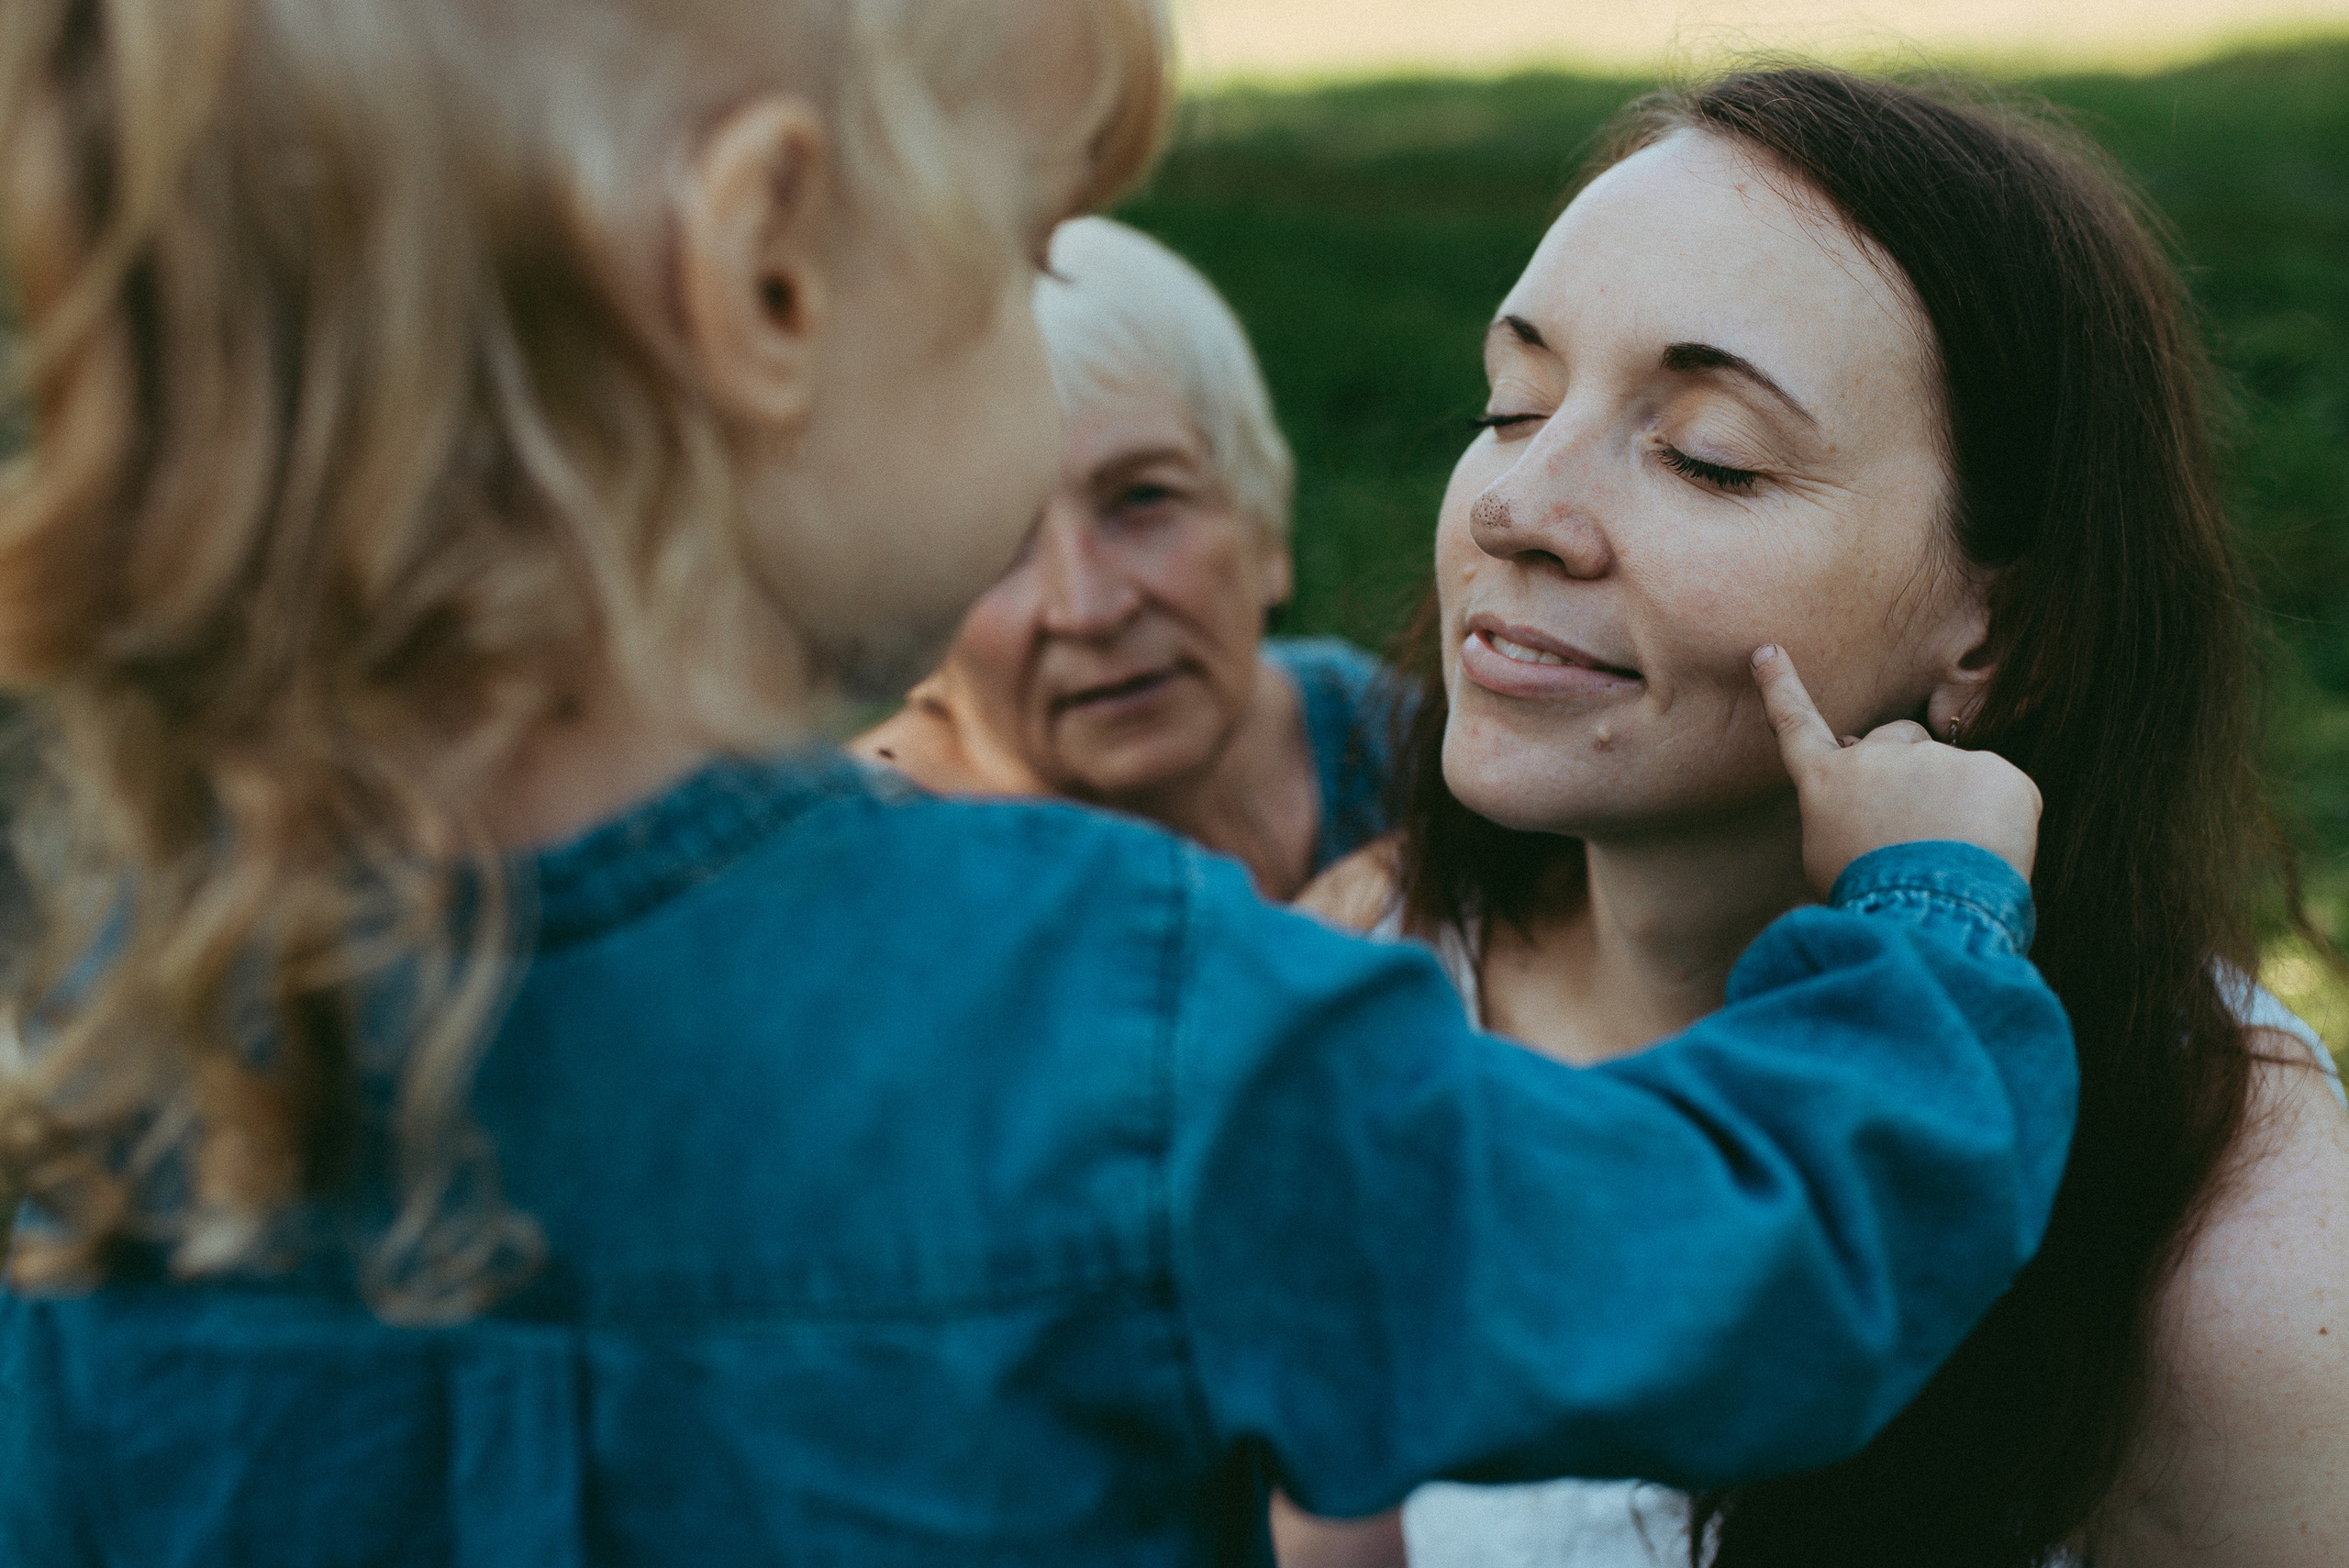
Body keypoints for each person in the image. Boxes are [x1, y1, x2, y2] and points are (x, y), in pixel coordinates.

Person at [0, 6, 2075, 1562]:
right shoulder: (1101, 1030)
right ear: (765, 287)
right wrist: (1917, 919)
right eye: (1023, 253)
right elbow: (1744, 1275)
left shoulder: (102, 1057)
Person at [1295, 66, 2349, 1568]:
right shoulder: (1378, 972)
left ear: (2001, 636)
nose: (1518, 503)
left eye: (1709, 454)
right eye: (1513, 398)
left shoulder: (2227, 1237)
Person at [854, 217, 1399, 898]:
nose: (1088, 608)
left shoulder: (1387, 750)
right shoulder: (859, 885)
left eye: (1144, 498)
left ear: (1263, 527)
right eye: (994, 542)